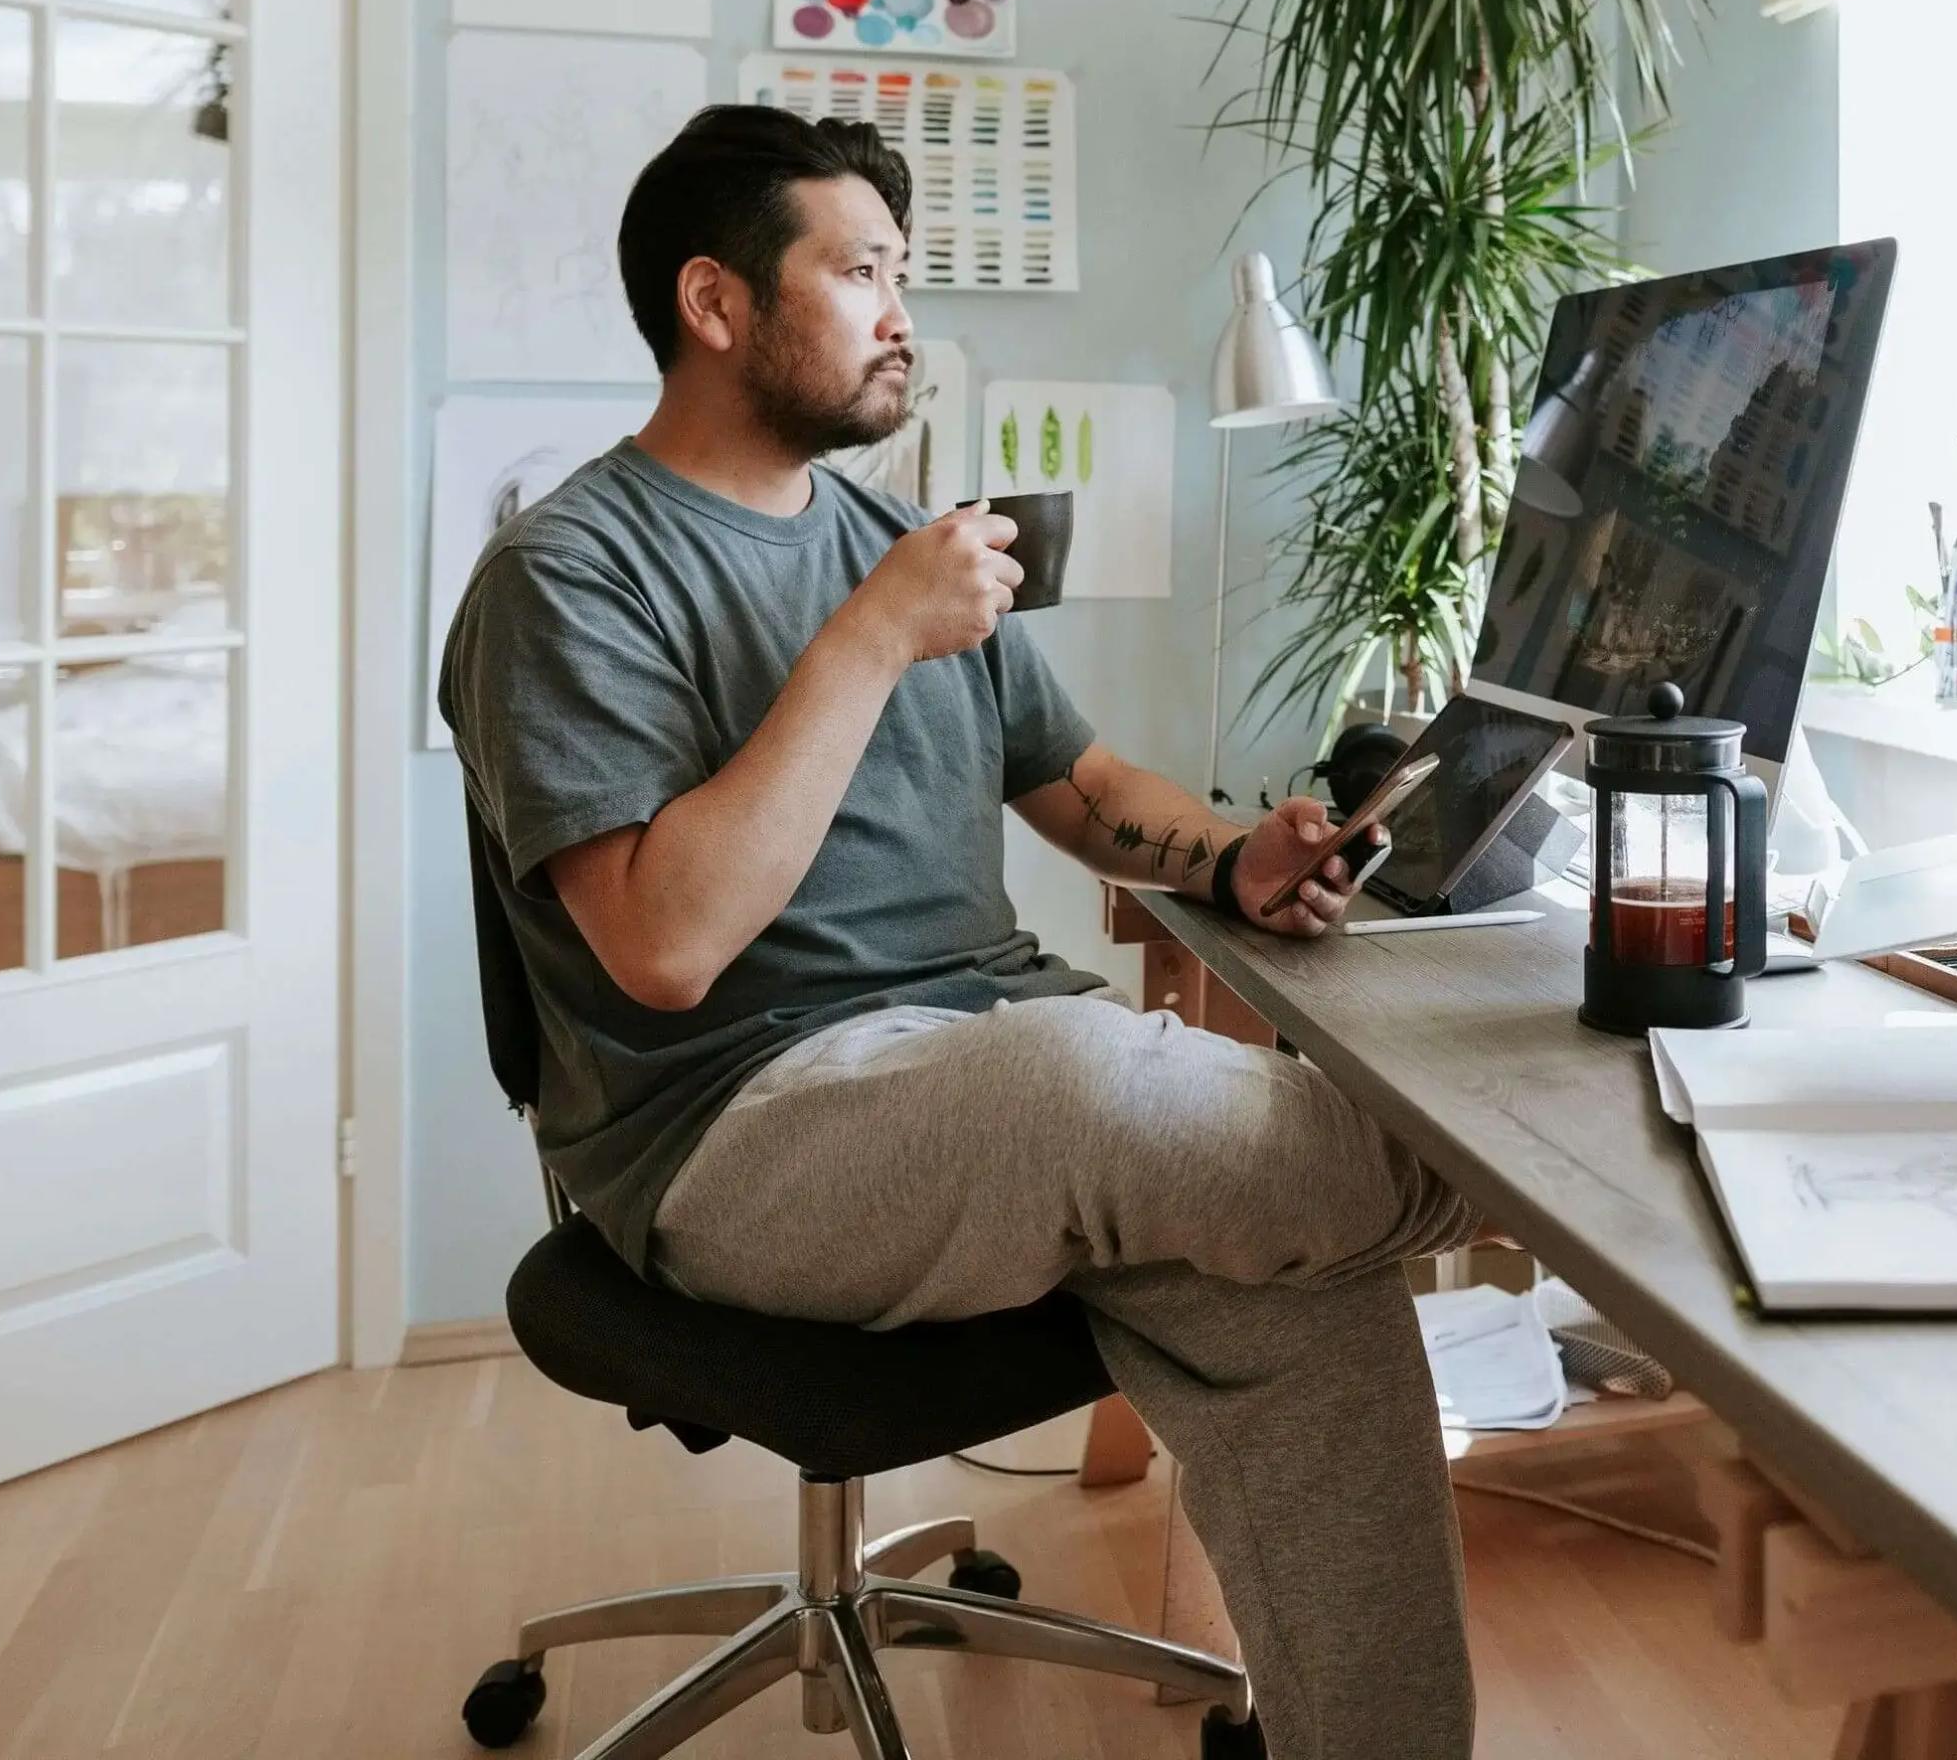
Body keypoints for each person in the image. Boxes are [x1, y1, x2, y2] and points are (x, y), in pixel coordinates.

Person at [439, 104, 1477, 1759]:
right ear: (717, 305)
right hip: (739, 1130)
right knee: (1096, 1078)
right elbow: (663, 949)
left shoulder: (895, 547)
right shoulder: (568, 578)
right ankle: (1520, 1170)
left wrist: (1236, 859)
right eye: (860, 273)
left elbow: (1078, 784)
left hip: (988, 1072)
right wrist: (866, 640)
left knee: (1308, 1295)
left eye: (905, 273)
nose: (903, 315)